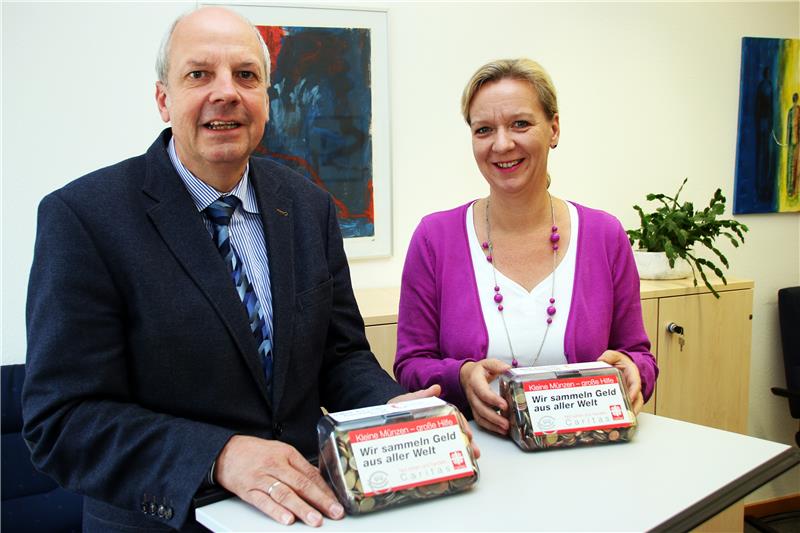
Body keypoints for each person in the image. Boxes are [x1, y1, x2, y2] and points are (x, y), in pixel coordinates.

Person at [22, 7, 440, 531]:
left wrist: (398, 412)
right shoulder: (84, 217)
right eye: (199, 74)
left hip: (305, 510)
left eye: (246, 75)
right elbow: (63, 420)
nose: (226, 92)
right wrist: (219, 455)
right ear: (163, 99)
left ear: (266, 97)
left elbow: (340, 357)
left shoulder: (308, 205)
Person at [394, 58, 658, 435]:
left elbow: (638, 354)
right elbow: (411, 364)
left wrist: (635, 371)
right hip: (481, 454)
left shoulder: (605, 235)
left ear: (554, 129)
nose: (502, 144)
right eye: (484, 129)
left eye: (520, 124)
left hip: (590, 450)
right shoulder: (434, 239)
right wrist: (462, 376)